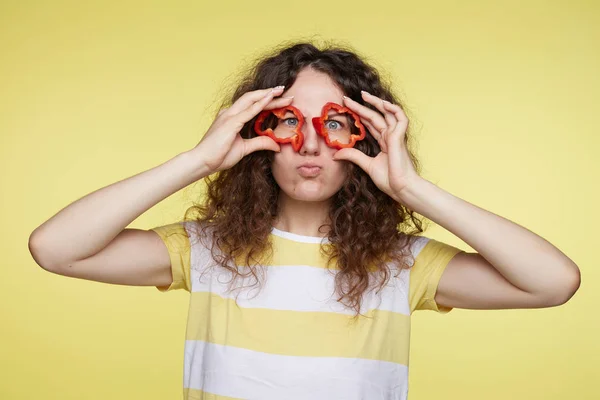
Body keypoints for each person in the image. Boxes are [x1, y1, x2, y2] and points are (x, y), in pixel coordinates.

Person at [28, 41, 581, 400]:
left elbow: (554, 282)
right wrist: (198, 161)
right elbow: (55, 249)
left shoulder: (400, 263)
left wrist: (412, 189)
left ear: (363, 137)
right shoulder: (206, 249)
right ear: (256, 132)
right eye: (288, 122)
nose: (312, 144)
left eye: (336, 123)